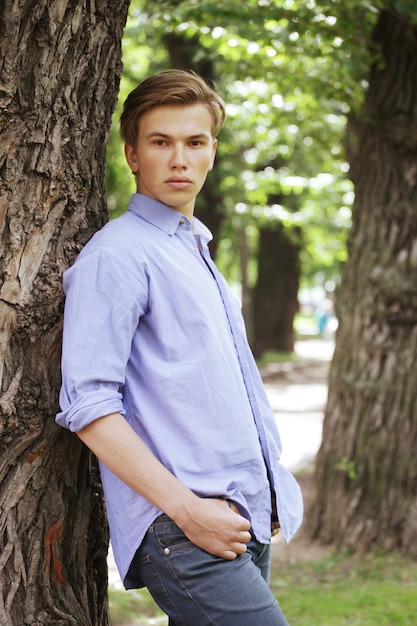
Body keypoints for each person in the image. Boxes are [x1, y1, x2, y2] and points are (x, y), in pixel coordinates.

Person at [56, 69, 303, 625]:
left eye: (194, 142)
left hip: (238, 516)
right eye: (160, 142)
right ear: (132, 154)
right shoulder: (118, 254)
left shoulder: (192, 249)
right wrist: (188, 510)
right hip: (183, 527)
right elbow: (89, 404)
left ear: (212, 151)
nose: (179, 159)